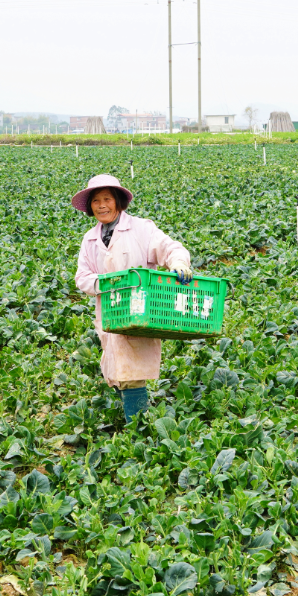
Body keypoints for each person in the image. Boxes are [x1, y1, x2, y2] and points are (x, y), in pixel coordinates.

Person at [73, 174, 193, 423]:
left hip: (140, 310)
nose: (101, 205)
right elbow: (82, 277)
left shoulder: (141, 228)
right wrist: (105, 284)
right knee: (115, 370)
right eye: (96, 200)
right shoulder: (90, 238)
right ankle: (134, 420)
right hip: (109, 311)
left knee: (132, 372)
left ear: (118, 202)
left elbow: (170, 248)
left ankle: (137, 429)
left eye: (107, 199)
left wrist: (179, 262)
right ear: (90, 206)